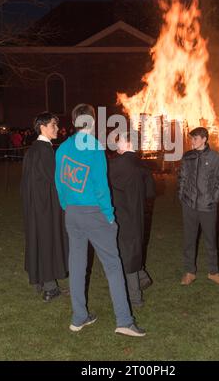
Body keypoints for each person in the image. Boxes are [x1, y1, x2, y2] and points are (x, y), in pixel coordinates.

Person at [55, 104, 145, 336]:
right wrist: (109, 216)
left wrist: (67, 206)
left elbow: (59, 182)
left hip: (72, 213)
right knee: (113, 266)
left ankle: (79, 317)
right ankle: (124, 321)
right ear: (92, 122)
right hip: (94, 213)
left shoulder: (62, 148)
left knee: (76, 266)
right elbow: (101, 188)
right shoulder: (94, 147)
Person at [21, 112, 69, 302]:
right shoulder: (45, 150)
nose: (57, 129)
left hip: (34, 206)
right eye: (53, 126)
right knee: (48, 241)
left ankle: (42, 282)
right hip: (45, 206)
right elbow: (55, 180)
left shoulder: (33, 149)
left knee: (39, 240)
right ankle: (50, 289)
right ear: (43, 127)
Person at [178, 127, 219, 285]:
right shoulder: (187, 157)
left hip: (207, 206)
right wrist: (182, 196)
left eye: (195, 139)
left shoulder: (215, 157)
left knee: (210, 240)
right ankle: (189, 272)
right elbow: (181, 177)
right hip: (189, 206)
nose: (192, 141)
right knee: (189, 240)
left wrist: (214, 198)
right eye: (191, 138)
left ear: (204, 139)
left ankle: (213, 272)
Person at [109, 131, 155, 308]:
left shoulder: (115, 164)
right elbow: (150, 192)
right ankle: (143, 277)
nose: (115, 144)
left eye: (118, 141)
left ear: (128, 144)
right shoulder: (143, 164)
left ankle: (135, 298)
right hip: (139, 215)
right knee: (133, 249)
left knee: (126, 255)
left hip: (121, 215)